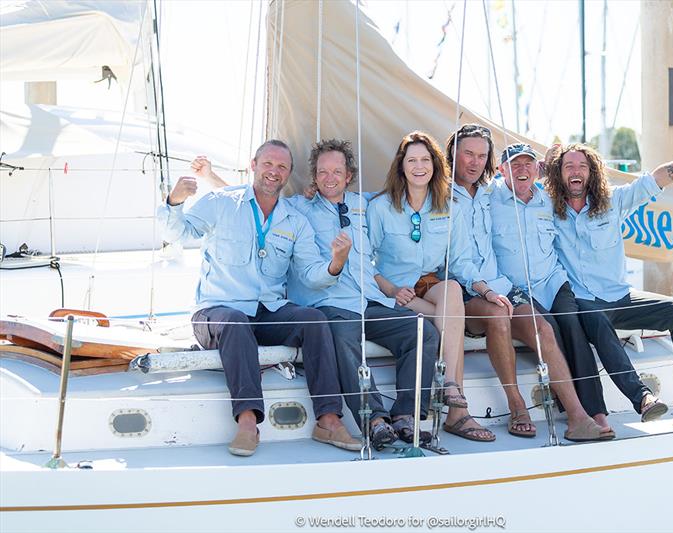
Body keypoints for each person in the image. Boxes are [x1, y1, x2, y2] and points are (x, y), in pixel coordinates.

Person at [159, 139, 361, 457]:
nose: (273, 171)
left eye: (282, 167)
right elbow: (176, 235)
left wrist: (337, 261)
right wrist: (174, 201)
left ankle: (329, 419)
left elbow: (312, 275)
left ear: (289, 173)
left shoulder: (294, 220)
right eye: (267, 164)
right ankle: (247, 421)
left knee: (313, 319)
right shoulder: (220, 202)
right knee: (236, 322)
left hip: (266, 311)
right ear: (253, 165)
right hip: (217, 310)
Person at [546, 131, 673, 425]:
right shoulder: (547, 209)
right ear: (559, 174)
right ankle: (643, 398)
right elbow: (516, 192)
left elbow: (659, 178)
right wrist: (543, 164)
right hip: (585, 302)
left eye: (582, 166)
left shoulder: (612, 202)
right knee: (596, 318)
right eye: (568, 166)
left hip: (621, 296)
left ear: (592, 172)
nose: (576, 171)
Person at [445, 125, 611, 441]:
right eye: (468, 153)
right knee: (497, 315)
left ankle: (578, 417)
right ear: (453, 155)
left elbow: (541, 181)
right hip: (465, 291)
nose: (474, 161)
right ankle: (517, 405)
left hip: (500, 287)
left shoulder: (487, 192)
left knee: (543, 328)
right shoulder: (441, 195)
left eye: (481, 155)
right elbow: (456, 261)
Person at [286, 139, 439, 449]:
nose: (329, 179)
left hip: (370, 301)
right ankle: (375, 419)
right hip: (330, 304)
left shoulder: (365, 204)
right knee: (343, 337)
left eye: (337, 172)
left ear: (349, 175)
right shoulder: (297, 206)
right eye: (322, 172)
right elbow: (258, 200)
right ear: (314, 177)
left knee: (422, 331)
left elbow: (406, 196)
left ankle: (406, 416)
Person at [367, 131, 495, 442]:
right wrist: (391, 289)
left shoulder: (449, 207)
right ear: (401, 166)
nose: (419, 166)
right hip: (392, 292)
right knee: (451, 320)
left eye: (426, 159)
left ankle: (448, 383)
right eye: (412, 160)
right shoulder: (381, 207)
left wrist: (484, 289)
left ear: (436, 165)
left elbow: (461, 260)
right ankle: (455, 403)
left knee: (452, 289)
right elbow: (364, 262)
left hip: (428, 285)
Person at [490, 142, 616, 434]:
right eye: (514, 164)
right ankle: (574, 412)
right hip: (517, 289)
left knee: (573, 325)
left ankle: (596, 411)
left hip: (552, 281)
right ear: (501, 170)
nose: (521, 170)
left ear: (538, 169)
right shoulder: (489, 198)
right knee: (551, 331)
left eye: (528, 164)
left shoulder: (548, 199)